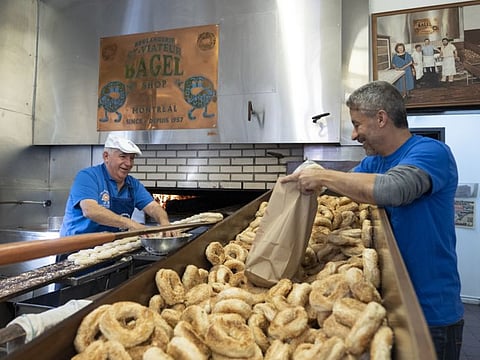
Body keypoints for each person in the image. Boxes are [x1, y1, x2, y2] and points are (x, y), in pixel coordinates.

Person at [281, 81, 464, 360]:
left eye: (357, 124)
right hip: (384, 306)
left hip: (430, 311)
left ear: (381, 118)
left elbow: (393, 190)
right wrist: (306, 182)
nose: (354, 134)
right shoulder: (374, 162)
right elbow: (350, 185)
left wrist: (324, 175)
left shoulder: (431, 153)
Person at [60, 133, 173, 239]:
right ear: (106, 156)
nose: (128, 163)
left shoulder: (133, 184)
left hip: (109, 247)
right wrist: (131, 224)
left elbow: (153, 207)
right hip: (76, 249)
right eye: (123, 157)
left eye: (132, 158)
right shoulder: (88, 177)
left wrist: (165, 223)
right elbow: (90, 210)